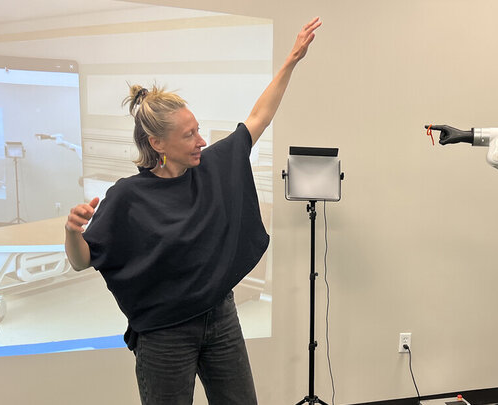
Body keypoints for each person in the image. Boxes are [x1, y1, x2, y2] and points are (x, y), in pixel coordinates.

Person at [64, 17, 322, 405]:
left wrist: (291, 61)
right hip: (163, 334)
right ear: (157, 142)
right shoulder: (127, 197)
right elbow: (83, 261)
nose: (202, 140)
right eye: (189, 135)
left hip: (220, 318)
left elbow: (258, 117)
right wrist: (72, 232)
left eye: (199, 129)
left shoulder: (212, 166)